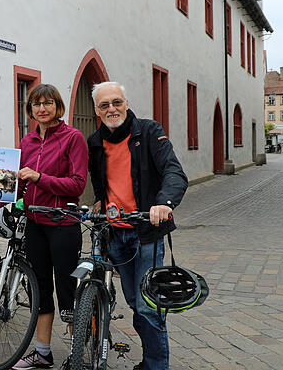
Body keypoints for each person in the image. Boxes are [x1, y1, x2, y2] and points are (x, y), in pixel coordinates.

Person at [87, 82, 187, 370]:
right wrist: (99, 202)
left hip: (146, 233)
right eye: (104, 105)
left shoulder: (149, 131)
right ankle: (148, 360)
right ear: (96, 110)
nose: (111, 109)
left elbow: (173, 170)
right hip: (115, 233)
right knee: (134, 300)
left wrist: (164, 203)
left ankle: (156, 365)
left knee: (147, 305)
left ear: (126, 102)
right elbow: (100, 180)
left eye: (116, 102)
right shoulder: (95, 141)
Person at [12, 84, 87, 369]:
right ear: (29, 109)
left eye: (47, 103)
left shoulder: (73, 138)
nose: (41, 109)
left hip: (62, 223)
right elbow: (18, 185)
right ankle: (43, 353)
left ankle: (76, 355)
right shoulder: (28, 141)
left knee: (66, 289)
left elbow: (78, 184)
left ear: (58, 106)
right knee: (40, 289)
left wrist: (39, 177)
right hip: (35, 223)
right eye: (36, 104)